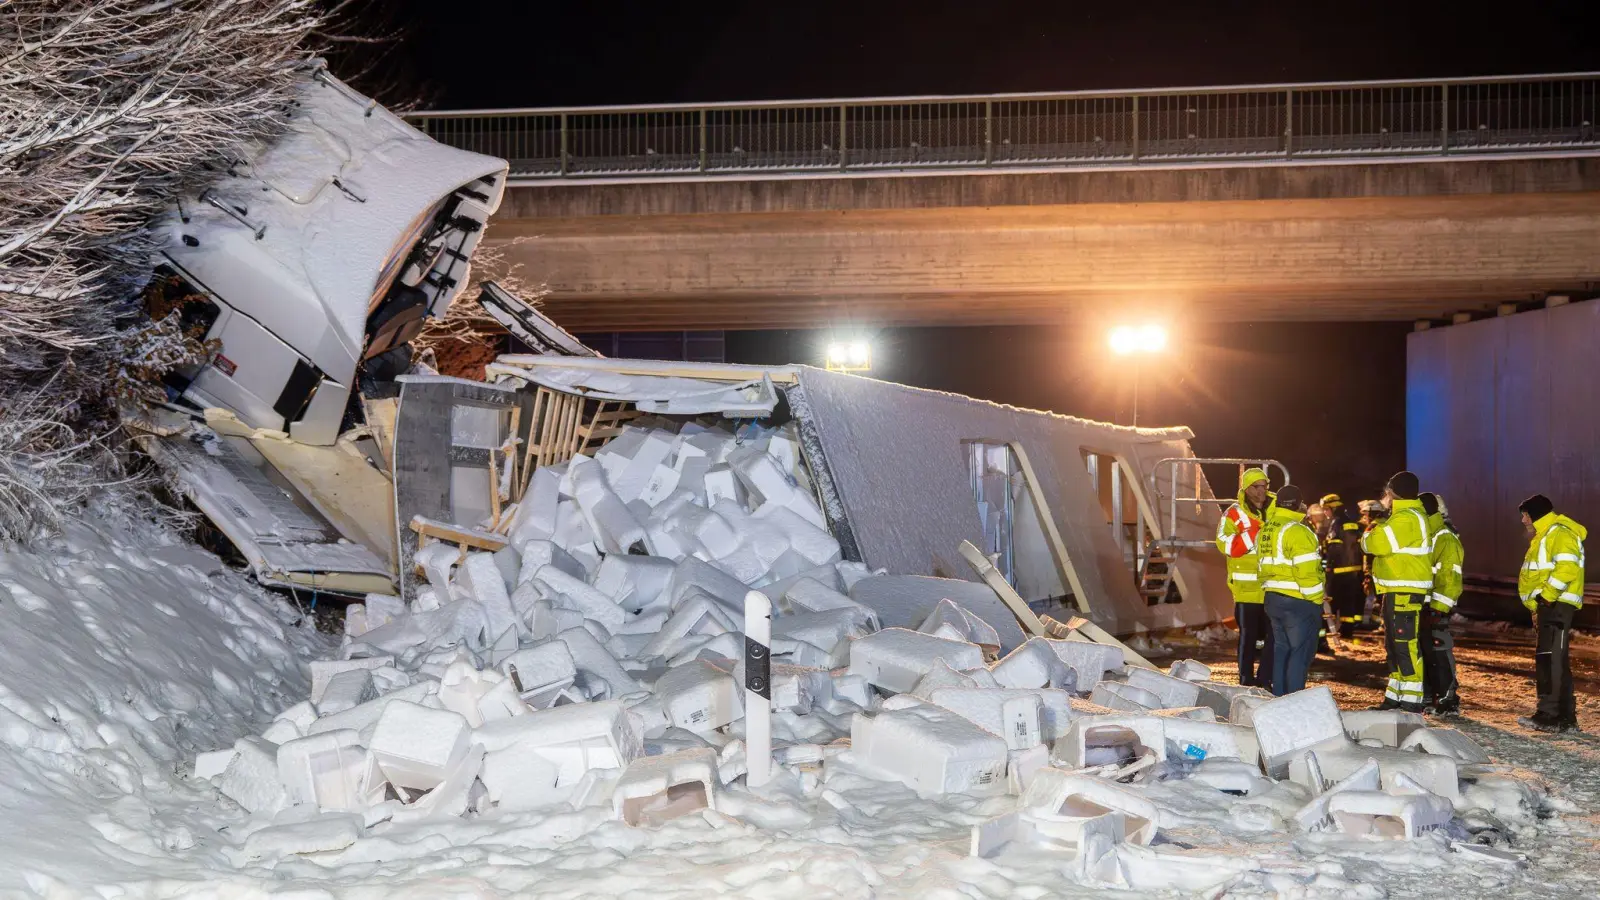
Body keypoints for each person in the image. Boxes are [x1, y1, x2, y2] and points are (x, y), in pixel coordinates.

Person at [1360, 471, 1433, 712]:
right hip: (1396, 589)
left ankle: (1411, 702)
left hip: (1404, 590)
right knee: (1394, 646)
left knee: (1405, 645)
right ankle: (1395, 697)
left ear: (1393, 492)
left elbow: (1375, 545)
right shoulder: (1401, 517)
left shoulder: (1407, 518)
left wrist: (1370, 533)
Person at [1515, 494, 1587, 733]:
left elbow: (1568, 567)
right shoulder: (1546, 535)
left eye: (1526, 515)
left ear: (1536, 514)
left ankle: (1549, 715)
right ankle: (1564, 718)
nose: (1524, 520)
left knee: (1550, 660)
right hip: (1551, 606)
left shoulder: (1559, 533)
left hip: (1555, 605)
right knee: (1555, 660)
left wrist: (1546, 596)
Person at [1258, 485, 1326, 695]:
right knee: (1300, 654)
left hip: (1273, 599)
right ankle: (1295, 702)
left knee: (1282, 652)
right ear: (1298, 504)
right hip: (1299, 601)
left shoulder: (1266, 529)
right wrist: (1316, 600)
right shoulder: (1298, 531)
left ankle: (1280, 700)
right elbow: (1307, 572)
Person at [1217, 468, 1276, 690]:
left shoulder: (1277, 509)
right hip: (1246, 588)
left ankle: (1265, 678)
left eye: (1264, 486)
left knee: (1273, 636)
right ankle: (1245, 679)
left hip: (1273, 584)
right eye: (1256, 487)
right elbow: (1225, 544)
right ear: (1245, 489)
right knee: (1248, 637)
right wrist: (1252, 534)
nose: (1261, 491)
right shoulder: (1233, 513)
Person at [1419, 492, 1462, 716]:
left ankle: (1448, 699)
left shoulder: (1444, 537)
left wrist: (1439, 607)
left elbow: (1450, 577)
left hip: (1436, 608)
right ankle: (1434, 696)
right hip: (1427, 606)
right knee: (1429, 652)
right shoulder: (1431, 534)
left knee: (1439, 650)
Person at [1321, 494, 1366, 640]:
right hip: (1355, 571)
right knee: (1349, 603)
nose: (1325, 513)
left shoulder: (1337, 523)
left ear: (1332, 508)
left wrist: (1328, 567)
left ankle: (1328, 630)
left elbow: (1334, 547)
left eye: (1326, 509)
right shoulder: (1352, 523)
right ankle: (1347, 632)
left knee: (1332, 601)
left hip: (1339, 571)